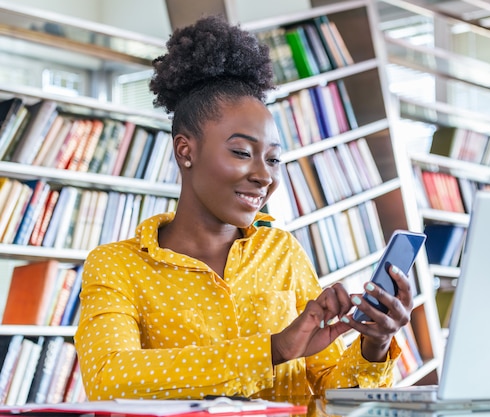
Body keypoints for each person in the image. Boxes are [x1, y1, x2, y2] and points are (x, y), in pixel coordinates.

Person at [74, 14, 413, 401]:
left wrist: (377, 343)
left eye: (272, 159)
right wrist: (274, 349)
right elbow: (111, 379)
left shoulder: (282, 252)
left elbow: (333, 396)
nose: (264, 176)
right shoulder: (117, 266)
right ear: (186, 150)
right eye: (241, 152)